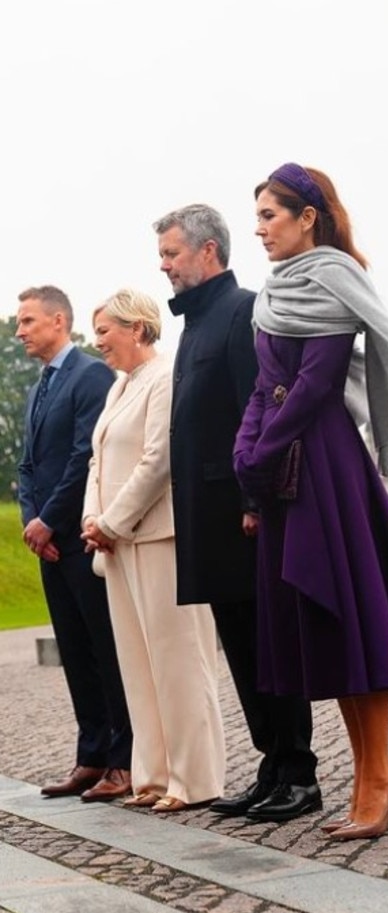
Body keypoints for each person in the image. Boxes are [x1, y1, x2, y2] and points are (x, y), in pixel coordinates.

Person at [233, 162, 388, 841]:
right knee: (325, 628)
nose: (260, 229)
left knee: (351, 618)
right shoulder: (270, 295)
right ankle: (373, 772)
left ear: (308, 217)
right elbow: (264, 385)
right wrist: (245, 451)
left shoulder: (335, 277)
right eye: (257, 217)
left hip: (327, 468)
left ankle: (377, 773)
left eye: (270, 215)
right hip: (285, 472)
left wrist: (265, 445)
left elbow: (314, 386)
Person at [153, 203, 320, 822]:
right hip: (209, 514)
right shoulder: (196, 322)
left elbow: (266, 407)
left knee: (268, 643)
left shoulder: (244, 309)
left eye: (172, 253)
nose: (164, 264)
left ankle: (300, 772)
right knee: (241, 647)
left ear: (208, 252)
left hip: (242, 514)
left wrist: (256, 500)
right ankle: (272, 764)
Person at [81, 289, 226, 812]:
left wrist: (113, 522)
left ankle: (196, 779)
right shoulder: (118, 387)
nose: (97, 342)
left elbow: (158, 458)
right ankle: (155, 776)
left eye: (104, 330)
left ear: (137, 329)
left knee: (178, 661)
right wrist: (92, 522)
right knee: (139, 665)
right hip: (117, 546)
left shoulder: (165, 377)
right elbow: (97, 461)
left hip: (160, 538)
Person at [16, 285, 132, 800]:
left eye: (28, 321)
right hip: (49, 543)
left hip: (81, 538)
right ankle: (92, 756)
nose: (19, 332)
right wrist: (31, 523)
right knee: (74, 652)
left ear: (58, 321)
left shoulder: (89, 375)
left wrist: (52, 520)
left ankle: (124, 762)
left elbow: (85, 456)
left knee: (104, 649)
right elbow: (28, 466)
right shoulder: (38, 385)